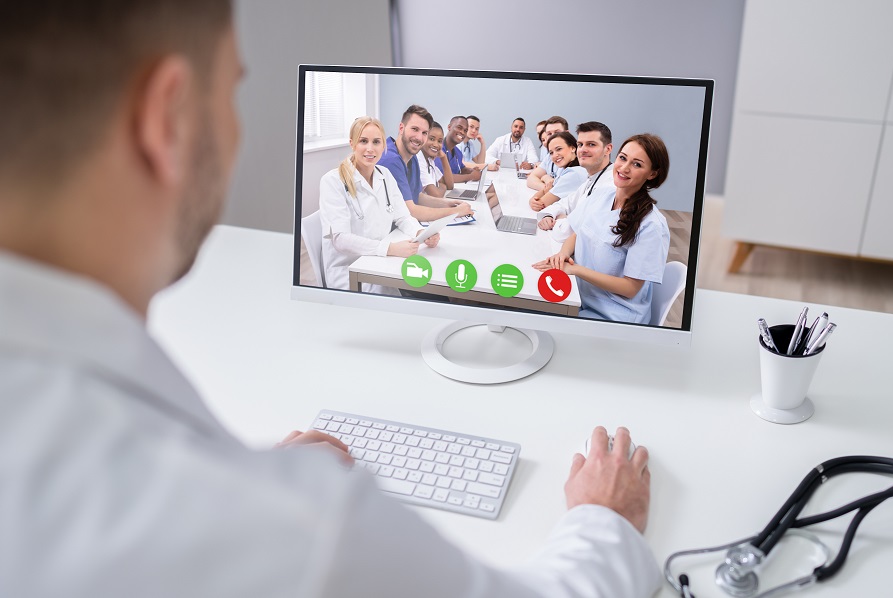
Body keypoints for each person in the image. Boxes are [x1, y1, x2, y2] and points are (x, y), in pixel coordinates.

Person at [0, 3, 661, 597]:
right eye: (232, 92)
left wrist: (251, 483)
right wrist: (604, 524)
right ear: (166, 120)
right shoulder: (296, 530)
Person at [534, 134, 671, 324]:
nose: (624, 168)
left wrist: (576, 270)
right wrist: (563, 254)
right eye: (622, 158)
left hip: (613, 316)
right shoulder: (603, 195)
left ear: (652, 173)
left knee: (537, 318)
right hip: (580, 296)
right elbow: (579, 232)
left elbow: (631, 287)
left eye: (637, 164)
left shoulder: (651, 225)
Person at [319, 117, 438, 292]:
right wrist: (390, 249)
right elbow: (340, 239)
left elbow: (404, 217)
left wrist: (421, 233)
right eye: (363, 141)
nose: (370, 148)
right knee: (420, 290)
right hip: (351, 273)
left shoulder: (385, 175)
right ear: (352, 144)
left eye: (376, 142)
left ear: (383, 146)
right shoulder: (332, 181)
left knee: (427, 283)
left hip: (380, 262)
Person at [377, 105, 472, 222]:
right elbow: (411, 211)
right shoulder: (390, 159)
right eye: (415, 129)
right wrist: (455, 212)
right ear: (401, 128)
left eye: (424, 133)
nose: (419, 137)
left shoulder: (412, 158)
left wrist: (450, 203)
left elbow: (418, 197)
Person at [537, 122, 615, 240]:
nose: (583, 150)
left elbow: (564, 233)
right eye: (580, 144)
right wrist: (549, 215)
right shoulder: (592, 178)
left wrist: (559, 219)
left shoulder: (609, 186)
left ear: (608, 149)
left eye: (591, 144)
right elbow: (565, 204)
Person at [528, 131, 588, 212]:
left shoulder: (574, 173)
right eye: (551, 153)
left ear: (573, 148)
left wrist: (532, 201)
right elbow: (541, 195)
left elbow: (541, 204)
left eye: (559, 149)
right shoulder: (565, 170)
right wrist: (532, 200)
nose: (555, 155)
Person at [528, 115, 569, 188]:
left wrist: (544, 177)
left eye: (557, 132)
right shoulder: (549, 157)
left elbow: (562, 188)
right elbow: (530, 179)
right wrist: (546, 186)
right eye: (549, 134)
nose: (553, 137)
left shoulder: (575, 158)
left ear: (567, 133)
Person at [416, 121, 455, 197]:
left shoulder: (429, 160)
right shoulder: (418, 160)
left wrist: (444, 158)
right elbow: (437, 195)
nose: (436, 144)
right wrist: (442, 186)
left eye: (440, 141)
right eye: (432, 139)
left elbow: (450, 185)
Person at [442, 115, 482, 183]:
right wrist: (471, 176)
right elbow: (444, 178)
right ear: (449, 127)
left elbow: (461, 168)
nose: (462, 132)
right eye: (459, 127)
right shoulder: (439, 150)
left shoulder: (457, 152)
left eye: (465, 130)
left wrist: (471, 171)